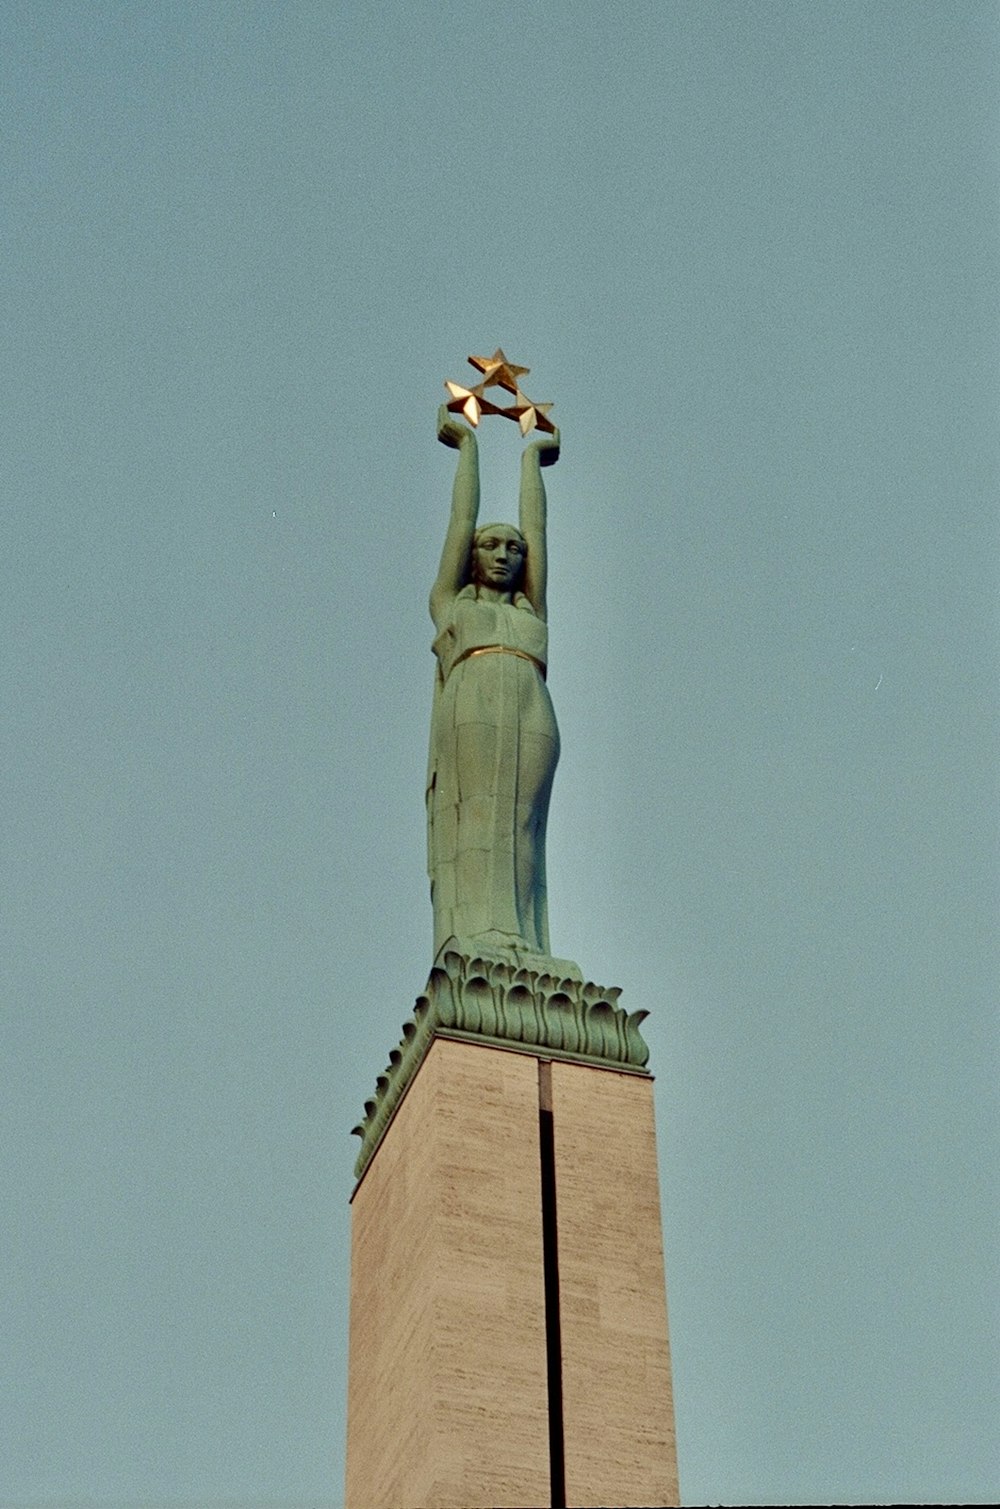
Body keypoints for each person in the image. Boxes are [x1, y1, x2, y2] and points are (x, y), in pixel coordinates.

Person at [427, 405, 561, 963]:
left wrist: (533, 459)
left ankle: (526, 940)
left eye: (513, 548)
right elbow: (461, 521)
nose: (504, 554)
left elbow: (539, 530)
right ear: (471, 557)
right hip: (474, 693)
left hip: (532, 704)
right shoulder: (451, 605)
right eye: (491, 546)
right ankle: (481, 934)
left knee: (524, 823)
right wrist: (468, 449)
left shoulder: (533, 610)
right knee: (479, 812)